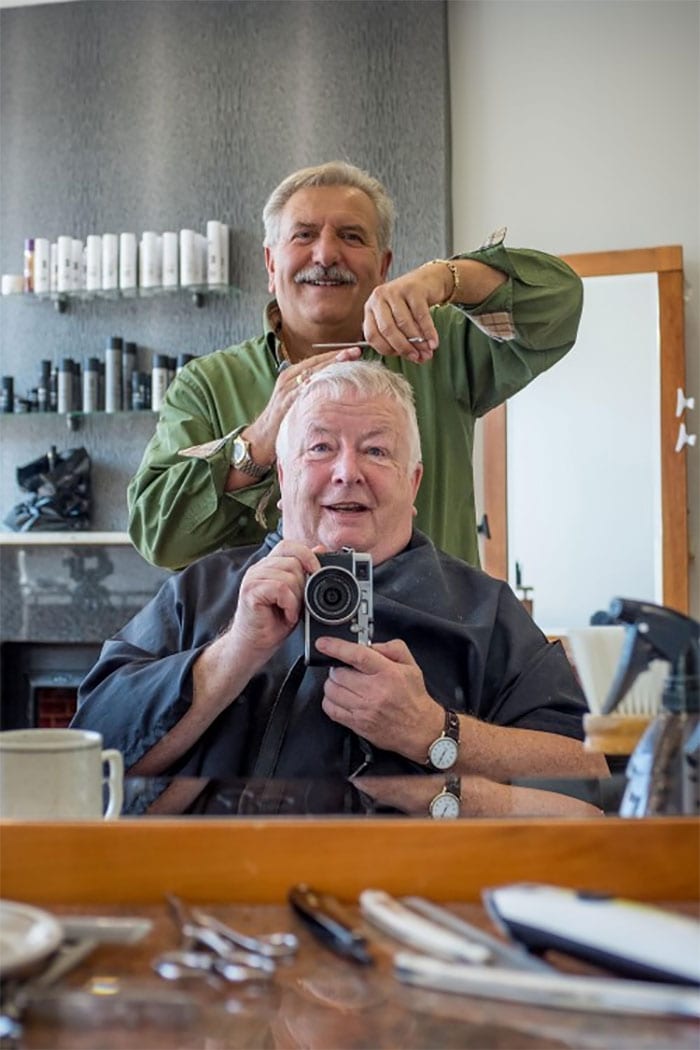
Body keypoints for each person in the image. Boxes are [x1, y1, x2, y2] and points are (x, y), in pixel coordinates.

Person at [75, 362, 607, 803]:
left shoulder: (482, 610)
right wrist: (233, 653)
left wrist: (436, 732)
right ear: (282, 477)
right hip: (219, 882)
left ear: (413, 482)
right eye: (320, 448)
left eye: (376, 451)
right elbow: (88, 756)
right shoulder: (204, 591)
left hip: (420, 888)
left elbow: (588, 778)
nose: (347, 472)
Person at [127, 161, 583, 571]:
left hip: (430, 633)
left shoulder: (439, 344)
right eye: (303, 235)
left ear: (384, 265)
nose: (326, 255)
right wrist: (257, 445)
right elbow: (158, 536)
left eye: (351, 236)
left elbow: (558, 305)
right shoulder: (208, 385)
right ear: (270, 263)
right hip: (266, 638)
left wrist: (444, 278)